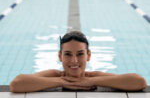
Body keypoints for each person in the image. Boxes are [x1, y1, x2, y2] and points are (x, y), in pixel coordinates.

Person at [10, 31, 147, 93]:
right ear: (60, 56)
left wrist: (92, 82)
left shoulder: (94, 77)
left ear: (88, 55)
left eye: (80, 54)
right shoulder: (54, 75)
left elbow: (139, 82)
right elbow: (16, 84)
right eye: (68, 54)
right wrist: (62, 81)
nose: (74, 61)